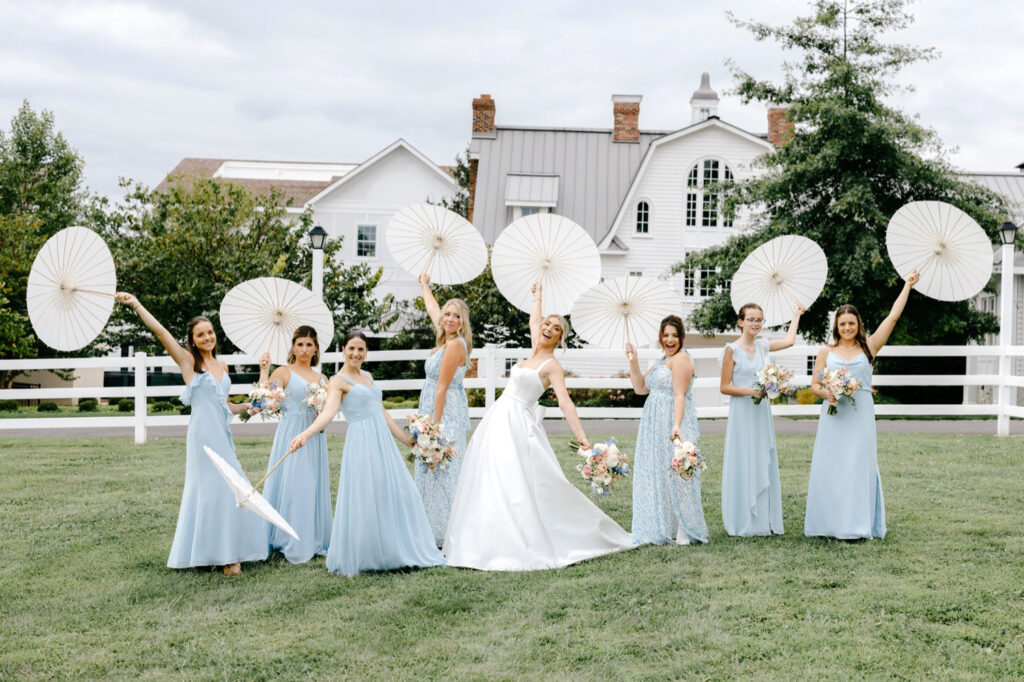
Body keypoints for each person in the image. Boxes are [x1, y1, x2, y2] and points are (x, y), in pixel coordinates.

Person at [443, 281, 634, 571]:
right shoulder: (533, 350)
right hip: (497, 420)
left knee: (519, 481)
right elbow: (534, 319)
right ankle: (486, 539)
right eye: (547, 324)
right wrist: (538, 296)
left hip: (519, 425)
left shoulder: (551, 366)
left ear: (560, 338)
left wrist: (582, 438)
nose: (548, 328)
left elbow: (566, 403)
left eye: (556, 328)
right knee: (490, 478)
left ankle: (526, 538)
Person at [116, 292, 267, 575]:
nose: (207, 338)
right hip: (202, 438)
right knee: (209, 491)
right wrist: (137, 304)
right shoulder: (188, 362)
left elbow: (225, 406)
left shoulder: (222, 366)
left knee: (231, 488)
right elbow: (160, 332)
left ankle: (224, 553)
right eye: (201, 335)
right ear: (193, 340)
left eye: (210, 332)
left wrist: (247, 406)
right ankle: (219, 558)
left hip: (222, 436)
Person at [288, 331, 444, 576]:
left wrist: (410, 442)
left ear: (366, 352)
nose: (356, 354)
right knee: (365, 495)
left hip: (382, 441)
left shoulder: (368, 377)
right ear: (343, 350)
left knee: (395, 491)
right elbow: (328, 413)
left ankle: (395, 548)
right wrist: (306, 434)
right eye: (351, 348)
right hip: (361, 441)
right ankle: (367, 552)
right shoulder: (337, 381)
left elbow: (382, 414)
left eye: (361, 349)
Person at [804, 272, 919, 540]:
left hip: (860, 414)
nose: (847, 328)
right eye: (842, 324)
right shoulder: (825, 352)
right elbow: (814, 384)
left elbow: (892, 318)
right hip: (834, 415)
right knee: (832, 464)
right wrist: (828, 394)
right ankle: (828, 524)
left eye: (851, 323)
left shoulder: (869, 346)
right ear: (836, 326)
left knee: (857, 464)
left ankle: (856, 525)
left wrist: (907, 286)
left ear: (858, 325)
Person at [719, 304, 802, 537]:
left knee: (762, 457)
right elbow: (724, 386)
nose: (756, 323)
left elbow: (789, 341)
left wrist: (795, 315)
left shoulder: (763, 346)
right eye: (751, 319)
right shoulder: (731, 350)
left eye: (760, 320)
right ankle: (744, 518)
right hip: (742, 412)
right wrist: (751, 392)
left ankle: (764, 520)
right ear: (740, 322)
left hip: (761, 411)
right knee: (745, 457)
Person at [626, 315, 708, 545]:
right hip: (653, 424)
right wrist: (633, 360)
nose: (669, 339)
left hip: (673, 421)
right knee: (659, 472)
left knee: (678, 474)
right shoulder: (663, 360)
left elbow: (679, 394)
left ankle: (684, 529)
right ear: (660, 337)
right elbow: (640, 388)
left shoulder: (681, 359)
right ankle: (664, 526)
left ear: (681, 337)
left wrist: (677, 424)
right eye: (665, 335)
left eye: (674, 335)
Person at [257, 325, 331, 563]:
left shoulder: (322, 378)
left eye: (309, 344)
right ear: (293, 346)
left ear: (316, 348)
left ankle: (311, 538)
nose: (304, 349)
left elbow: (328, 411)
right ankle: (289, 539)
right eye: (300, 344)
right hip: (291, 433)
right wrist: (264, 370)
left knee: (310, 484)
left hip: (314, 438)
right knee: (294, 484)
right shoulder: (283, 372)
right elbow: (263, 402)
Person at [414, 273, 471, 546]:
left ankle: (444, 532)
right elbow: (433, 311)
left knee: (442, 467)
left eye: (456, 316)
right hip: (437, 406)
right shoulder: (445, 339)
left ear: (463, 323)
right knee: (433, 470)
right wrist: (425, 286)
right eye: (447, 314)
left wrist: (432, 430)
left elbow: (441, 387)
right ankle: (428, 527)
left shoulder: (454, 344)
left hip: (445, 411)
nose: (449, 319)